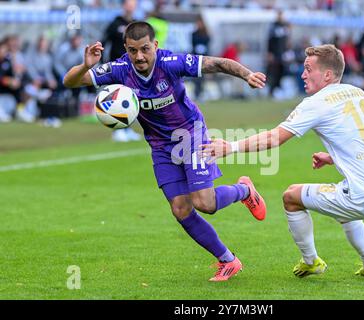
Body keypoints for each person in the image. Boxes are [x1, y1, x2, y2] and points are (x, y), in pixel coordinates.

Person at [63, 21, 267, 282]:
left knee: (205, 203)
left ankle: (245, 190)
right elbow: (70, 82)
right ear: (125, 49)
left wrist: (246, 74)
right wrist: (86, 66)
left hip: (190, 134)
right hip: (159, 144)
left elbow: (216, 63)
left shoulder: (171, 62)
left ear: (155, 46)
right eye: (133, 50)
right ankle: (228, 260)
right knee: (181, 209)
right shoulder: (119, 69)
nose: (139, 56)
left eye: (145, 49)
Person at [201, 44, 364, 279]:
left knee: (291, 196)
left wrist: (230, 147)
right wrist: (333, 157)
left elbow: (274, 138)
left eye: (308, 69)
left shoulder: (317, 103)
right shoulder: (357, 92)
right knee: (343, 200)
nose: (302, 74)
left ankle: (311, 261)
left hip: (363, 196)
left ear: (327, 75)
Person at [103, 0, 140, 142]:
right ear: (124, 6)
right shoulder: (116, 23)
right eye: (129, 3)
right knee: (117, 99)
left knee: (129, 100)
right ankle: (117, 130)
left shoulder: (136, 25)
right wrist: (102, 62)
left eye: (133, 3)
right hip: (118, 67)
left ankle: (128, 129)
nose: (131, 6)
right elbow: (105, 41)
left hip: (134, 68)